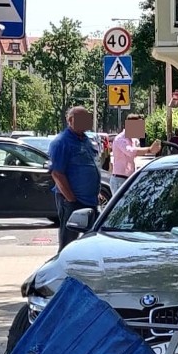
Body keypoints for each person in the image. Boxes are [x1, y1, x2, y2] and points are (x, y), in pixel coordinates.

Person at [48, 106, 102, 250]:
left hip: (89, 201)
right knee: (68, 244)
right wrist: (71, 199)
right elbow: (57, 173)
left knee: (91, 242)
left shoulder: (85, 140)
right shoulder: (61, 142)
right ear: (70, 120)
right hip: (73, 202)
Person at [111, 118, 160, 187]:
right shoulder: (120, 139)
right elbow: (131, 152)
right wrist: (150, 149)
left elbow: (137, 151)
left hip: (128, 178)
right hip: (120, 179)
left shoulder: (132, 140)